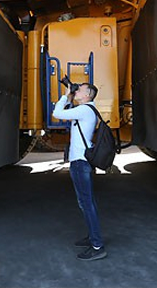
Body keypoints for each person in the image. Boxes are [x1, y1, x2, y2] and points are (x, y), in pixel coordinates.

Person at [52, 82, 107, 261]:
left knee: (87, 204)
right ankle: (92, 237)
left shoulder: (84, 110)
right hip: (80, 162)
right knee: (87, 203)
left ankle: (97, 246)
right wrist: (70, 96)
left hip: (80, 163)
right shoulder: (85, 110)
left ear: (88, 95)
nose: (77, 91)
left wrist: (65, 95)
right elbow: (67, 112)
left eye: (80, 90)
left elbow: (57, 113)